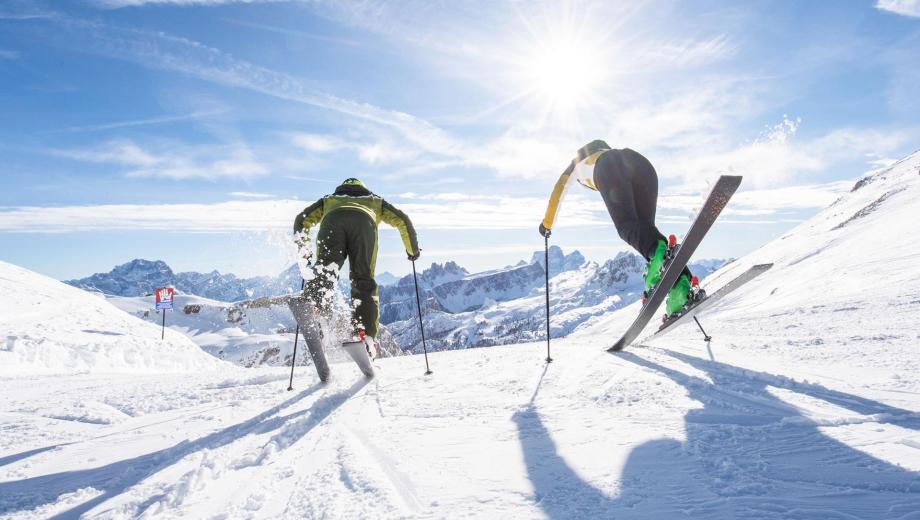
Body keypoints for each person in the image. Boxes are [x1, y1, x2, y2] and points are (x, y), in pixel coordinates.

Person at [538, 140, 696, 318]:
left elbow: (558, 190)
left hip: (609, 168)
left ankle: (659, 261)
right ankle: (680, 285)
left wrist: (546, 224)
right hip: (643, 165)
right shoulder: (611, 152)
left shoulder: (577, 164)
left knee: (627, 227)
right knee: (645, 234)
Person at [292, 178, 420, 356]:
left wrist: (304, 253)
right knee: (363, 280)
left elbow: (301, 219)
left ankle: (316, 312)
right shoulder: (375, 200)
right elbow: (402, 220)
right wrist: (412, 250)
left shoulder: (329, 199)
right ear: (362, 189)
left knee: (324, 272)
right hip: (364, 224)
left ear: (341, 189)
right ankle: (365, 337)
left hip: (332, 222)